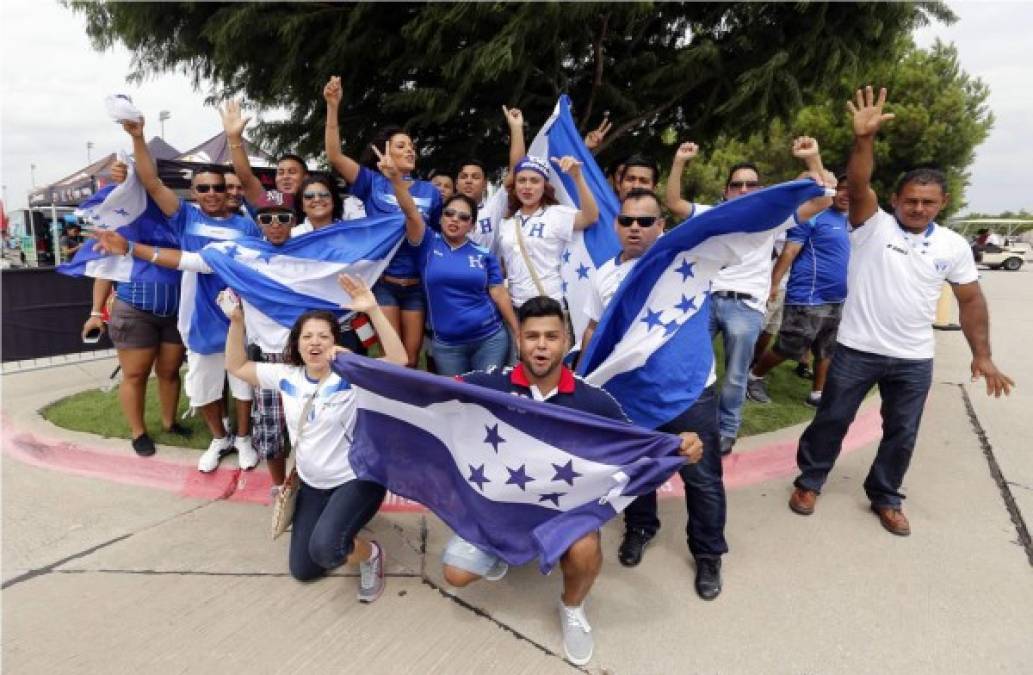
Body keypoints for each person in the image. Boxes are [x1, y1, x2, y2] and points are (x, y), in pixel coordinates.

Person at [788, 87, 1014, 535]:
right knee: (832, 419)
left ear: (942, 204)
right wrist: (864, 141)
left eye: (928, 202)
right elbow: (858, 183)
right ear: (896, 199)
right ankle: (810, 481)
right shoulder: (872, 224)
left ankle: (886, 496)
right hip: (856, 349)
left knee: (902, 432)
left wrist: (982, 354)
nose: (918, 208)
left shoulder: (952, 245)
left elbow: (970, 300)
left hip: (913, 358)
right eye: (911, 200)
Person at [441, 296, 703, 666]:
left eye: (551, 336)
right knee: (455, 574)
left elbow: (634, 446)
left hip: (562, 510)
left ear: (567, 341)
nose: (542, 345)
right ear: (519, 341)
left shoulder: (594, 401)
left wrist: (679, 446)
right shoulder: (487, 384)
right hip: (500, 507)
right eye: (532, 336)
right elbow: (423, 391)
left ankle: (572, 607)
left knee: (583, 550)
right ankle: (502, 551)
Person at [578, 188, 730, 598]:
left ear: (661, 226)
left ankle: (708, 553)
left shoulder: (688, 262)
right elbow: (594, 331)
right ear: (616, 225)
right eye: (627, 220)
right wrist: (582, 382)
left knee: (702, 480)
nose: (635, 228)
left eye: (646, 221)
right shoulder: (603, 275)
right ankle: (640, 528)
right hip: (631, 398)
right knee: (637, 473)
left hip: (691, 392)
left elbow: (747, 225)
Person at [93, 193, 303, 486]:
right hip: (255, 344)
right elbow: (188, 259)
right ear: (258, 223)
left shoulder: (308, 250)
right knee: (255, 416)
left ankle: (263, 451)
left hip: (300, 349)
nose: (275, 224)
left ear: (295, 220)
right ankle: (234, 448)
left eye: (283, 217)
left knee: (305, 424)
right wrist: (129, 247)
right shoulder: (241, 249)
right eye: (267, 218)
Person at [225, 274, 407, 598]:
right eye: (307, 336)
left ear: (335, 342)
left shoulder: (352, 375)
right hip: (312, 482)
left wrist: (373, 309)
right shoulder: (286, 375)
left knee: (327, 550)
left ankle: (371, 554)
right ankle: (340, 527)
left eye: (323, 336)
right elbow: (237, 366)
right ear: (296, 343)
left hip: (356, 478)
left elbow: (399, 361)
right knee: (304, 570)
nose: (315, 342)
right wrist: (237, 321)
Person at [665, 138, 826, 455]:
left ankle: (727, 429)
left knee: (736, 377)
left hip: (746, 307)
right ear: (726, 191)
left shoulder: (773, 219)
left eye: (750, 185)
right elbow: (673, 203)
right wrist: (679, 162)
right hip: (706, 301)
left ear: (760, 189)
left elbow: (822, 202)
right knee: (689, 366)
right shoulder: (714, 214)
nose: (743, 189)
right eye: (736, 184)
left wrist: (813, 159)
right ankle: (684, 422)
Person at [120, 117, 261, 473]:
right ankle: (220, 437)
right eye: (204, 188)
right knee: (202, 387)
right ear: (194, 192)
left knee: (243, 385)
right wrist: (138, 138)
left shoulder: (247, 225)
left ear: (226, 190)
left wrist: (234, 139)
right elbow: (151, 183)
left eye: (217, 187)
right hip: (198, 316)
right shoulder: (185, 218)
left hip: (240, 318)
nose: (212, 193)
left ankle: (243, 438)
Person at [323, 75, 443, 368]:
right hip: (385, 282)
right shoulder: (372, 183)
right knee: (392, 359)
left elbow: (433, 235)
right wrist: (332, 106)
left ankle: (409, 412)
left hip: (417, 285)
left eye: (413, 146)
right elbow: (335, 156)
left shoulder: (430, 192)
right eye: (402, 146)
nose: (410, 150)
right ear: (385, 152)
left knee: (412, 359)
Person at [377, 144, 519, 375]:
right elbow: (411, 211)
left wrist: (518, 332)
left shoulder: (484, 255)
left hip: (490, 338)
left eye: (463, 217)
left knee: (488, 399)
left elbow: (499, 294)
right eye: (449, 214)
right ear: (440, 217)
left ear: (472, 225)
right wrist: (396, 180)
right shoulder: (426, 243)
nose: (455, 220)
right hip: (447, 345)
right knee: (455, 403)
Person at [748, 170, 851, 407]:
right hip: (808, 297)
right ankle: (754, 377)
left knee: (827, 348)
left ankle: (817, 393)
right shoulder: (814, 215)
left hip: (838, 299)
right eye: (842, 188)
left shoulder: (851, 221)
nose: (847, 194)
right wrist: (773, 284)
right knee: (789, 346)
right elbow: (790, 251)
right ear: (834, 190)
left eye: (853, 189)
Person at [81, 277, 188, 456]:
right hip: (134, 310)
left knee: (170, 370)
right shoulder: (125, 246)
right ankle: (139, 433)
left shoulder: (179, 245)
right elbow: (104, 270)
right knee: (135, 375)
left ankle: (170, 423)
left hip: (176, 311)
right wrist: (96, 313)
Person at [497, 155, 599, 311]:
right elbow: (506, 265)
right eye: (522, 180)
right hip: (516, 307)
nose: (527, 186)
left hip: (548, 305)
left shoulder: (556, 214)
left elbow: (590, 217)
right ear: (515, 185)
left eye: (534, 180)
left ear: (544, 186)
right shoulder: (506, 222)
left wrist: (577, 177)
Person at [453, 107, 527, 254]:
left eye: (475, 177)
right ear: (456, 183)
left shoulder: (493, 207)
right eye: (463, 177)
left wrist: (516, 128)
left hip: (486, 275)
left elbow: (516, 171)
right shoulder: (444, 211)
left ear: (485, 185)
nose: (468, 181)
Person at [219, 100, 310, 212]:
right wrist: (234, 137)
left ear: (306, 177)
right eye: (280, 173)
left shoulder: (319, 204)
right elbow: (246, 178)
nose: (285, 177)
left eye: (292, 172)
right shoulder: (268, 201)